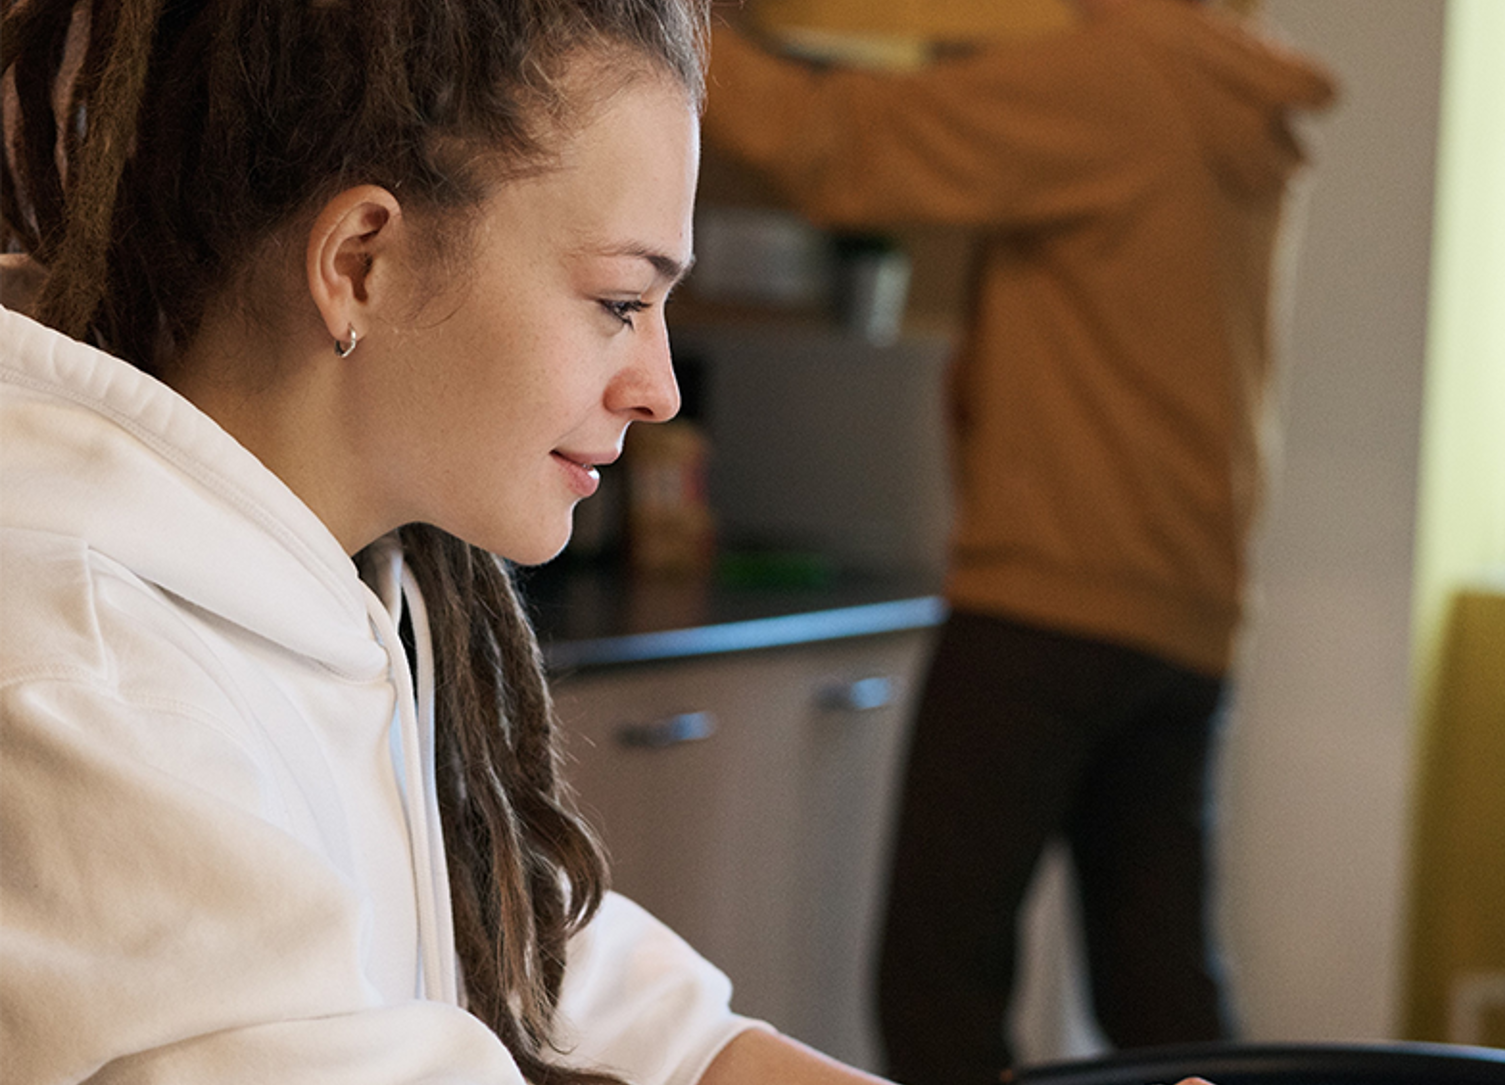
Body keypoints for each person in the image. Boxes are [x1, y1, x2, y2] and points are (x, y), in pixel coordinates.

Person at [0, 2, 894, 1082]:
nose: (657, 388)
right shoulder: (83, 677)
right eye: (619, 301)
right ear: (362, 261)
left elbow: (551, 967)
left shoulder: (373, 584)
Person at [699, 4, 1337, 1084]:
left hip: (1048, 601)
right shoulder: (1230, 95)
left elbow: (844, 147)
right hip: (1189, 604)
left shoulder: (1119, 78)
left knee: (938, 981)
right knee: (1164, 996)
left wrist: (664, 22)